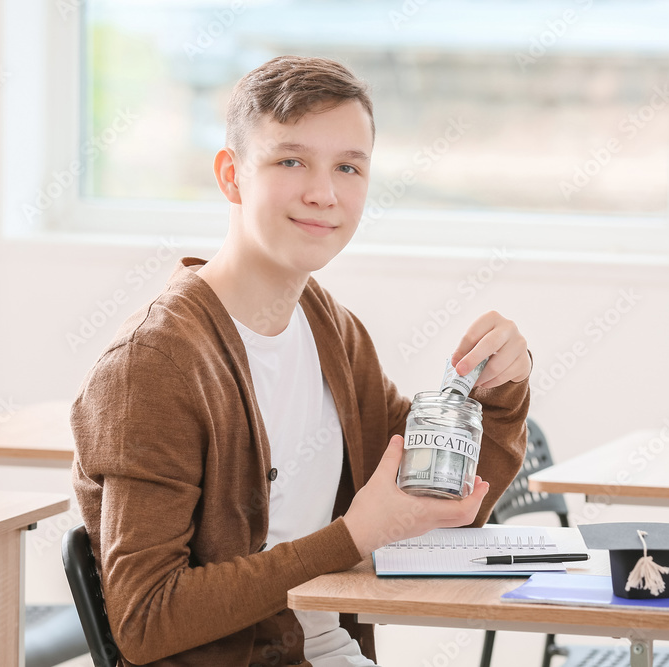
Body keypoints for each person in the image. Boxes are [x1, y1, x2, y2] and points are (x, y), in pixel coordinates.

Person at [71, 55, 532, 667]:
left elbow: (438, 514)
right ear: (232, 176)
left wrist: (501, 392)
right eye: (291, 161)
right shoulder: (154, 365)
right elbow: (145, 619)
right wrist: (353, 537)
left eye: (348, 167)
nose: (324, 193)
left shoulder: (328, 327)